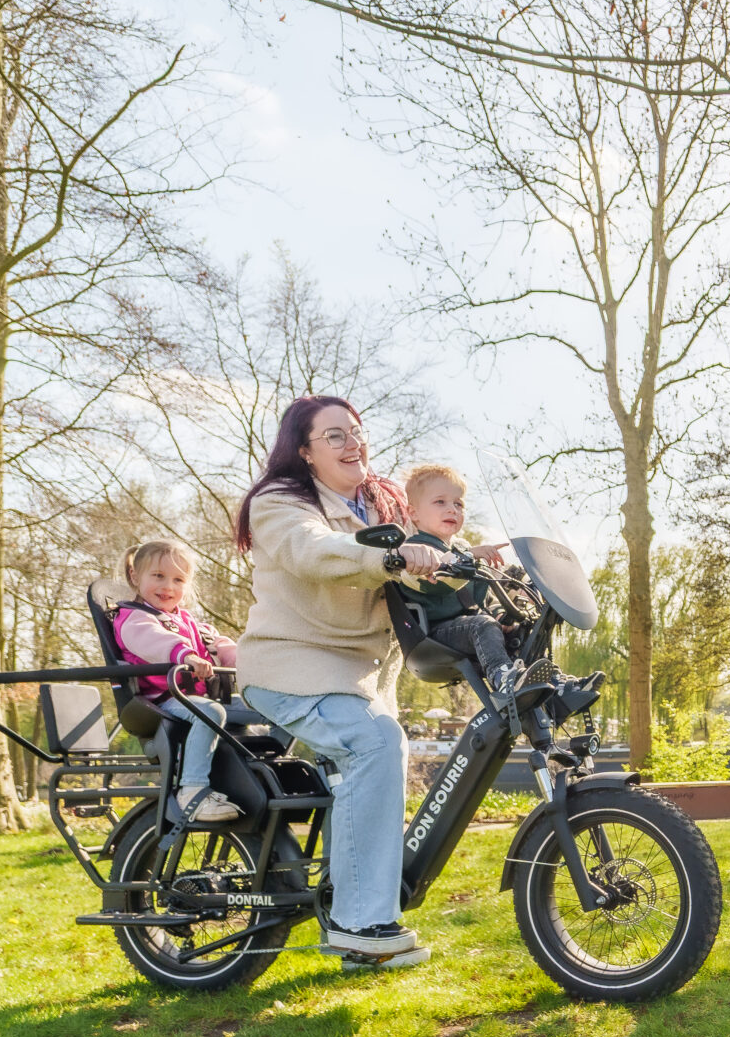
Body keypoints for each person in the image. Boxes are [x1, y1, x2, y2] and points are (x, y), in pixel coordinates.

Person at [231, 395, 446, 967]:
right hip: (291, 666)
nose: (354, 443)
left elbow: (420, 556)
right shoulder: (279, 503)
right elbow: (315, 551)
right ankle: (358, 925)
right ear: (304, 452)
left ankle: (358, 920)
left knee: (375, 751)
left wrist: (467, 558)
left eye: (356, 431)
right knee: (375, 744)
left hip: (360, 677)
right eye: (334, 436)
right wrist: (397, 556)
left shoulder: (379, 509)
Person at [111, 538, 240, 824]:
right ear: (135, 576)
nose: (168, 587)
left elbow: (218, 644)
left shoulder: (189, 621)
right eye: (158, 576)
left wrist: (248, 659)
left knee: (260, 705)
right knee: (211, 712)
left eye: (178, 579)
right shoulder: (134, 618)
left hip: (192, 697)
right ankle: (192, 791)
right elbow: (157, 641)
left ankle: (252, 775)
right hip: (162, 701)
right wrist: (188, 657)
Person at [396, 462, 521, 694]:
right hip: (435, 633)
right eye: (440, 502)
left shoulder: (462, 549)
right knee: (482, 626)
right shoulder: (414, 551)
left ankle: (553, 687)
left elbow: (481, 593)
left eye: (458, 503)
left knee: (521, 630)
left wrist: (499, 613)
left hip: (468, 623)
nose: (452, 509)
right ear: (414, 513)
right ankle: (504, 680)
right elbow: (438, 583)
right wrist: (468, 557)